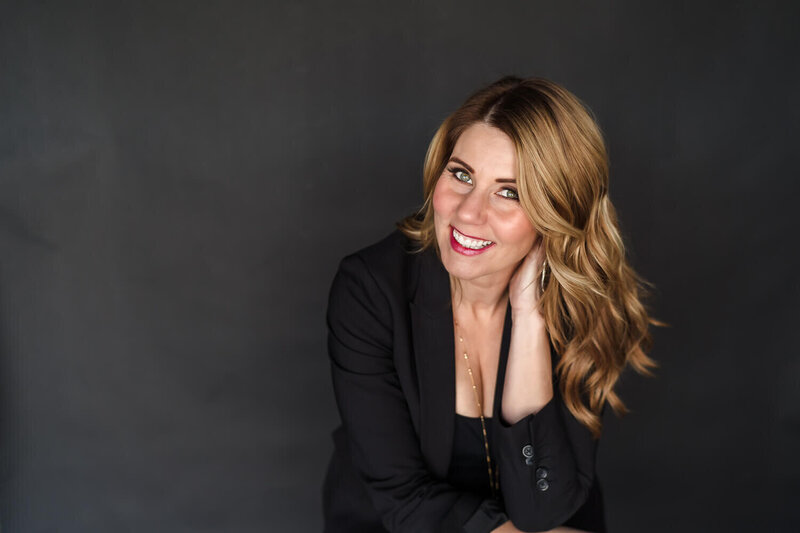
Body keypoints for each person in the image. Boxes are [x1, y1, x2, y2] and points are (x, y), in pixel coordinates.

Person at [321, 76, 661, 533]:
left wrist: (529, 319)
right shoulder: (370, 289)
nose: (467, 213)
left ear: (556, 211)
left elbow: (543, 509)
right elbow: (404, 499)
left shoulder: (577, 300)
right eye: (461, 175)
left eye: (510, 192)